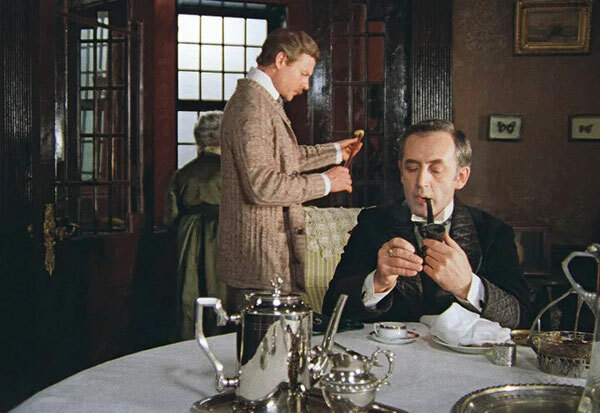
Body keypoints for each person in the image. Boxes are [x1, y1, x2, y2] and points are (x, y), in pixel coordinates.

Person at [322, 119, 531, 328]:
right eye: (412, 168)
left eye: (436, 170)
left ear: (461, 177)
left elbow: (521, 318)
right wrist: (377, 282)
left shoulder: (493, 231)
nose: (421, 182)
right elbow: (330, 309)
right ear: (401, 172)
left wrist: (468, 286)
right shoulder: (372, 224)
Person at [218, 28, 362, 311]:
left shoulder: (261, 101)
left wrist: (335, 152)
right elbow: (262, 185)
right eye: (304, 74)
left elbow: (285, 158)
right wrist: (326, 182)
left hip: (265, 258)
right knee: (265, 338)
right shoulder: (252, 107)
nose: (306, 85)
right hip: (259, 262)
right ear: (281, 60)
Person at [164, 111, 226, 340]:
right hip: (223, 234)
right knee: (220, 289)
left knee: (190, 290)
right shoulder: (230, 172)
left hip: (188, 236)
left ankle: (189, 341)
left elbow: (170, 217)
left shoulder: (182, 173)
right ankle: (221, 339)